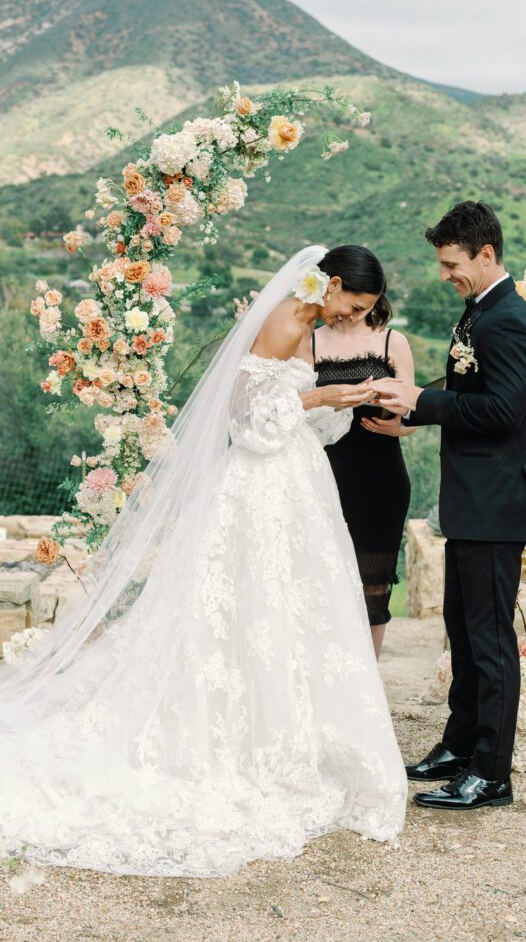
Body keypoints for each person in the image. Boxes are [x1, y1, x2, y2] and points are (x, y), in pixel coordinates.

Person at [0, 245, 407, 877]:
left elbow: (297, 419)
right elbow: (246, 420)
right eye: (351, 305)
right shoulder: (282, 322)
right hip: (259, 487)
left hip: (298, 484)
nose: (350, 317)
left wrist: (339, 400)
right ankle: (241, 742)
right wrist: (323, 398)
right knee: (247, 603)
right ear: (328, 286)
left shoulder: (309, 327)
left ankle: (296, 735)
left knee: (294, 608)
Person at [375, 201, 526, 812]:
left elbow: (504, 412)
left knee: (491, 641)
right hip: (473, 499)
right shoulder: (481, 311)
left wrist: (424, 398)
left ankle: (492, 774)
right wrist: (409, 408)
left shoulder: (509, 320)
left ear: (486, 254)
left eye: (453, 264)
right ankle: (459, 746)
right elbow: (471, 391)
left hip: (497, 502)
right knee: (462, 632)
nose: (445, 274)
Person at [312, 246, 416, 658]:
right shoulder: (312, 340)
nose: (354, 315)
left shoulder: (394, 341)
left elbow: (412, 412)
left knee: (373, 583)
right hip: (324, 475)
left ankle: (368, 680)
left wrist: (399, 423)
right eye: (354, 305)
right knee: (324, 578)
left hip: (381, 478)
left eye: (364, 308)